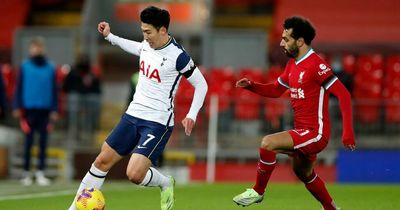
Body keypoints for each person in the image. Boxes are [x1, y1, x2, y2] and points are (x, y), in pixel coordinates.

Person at [67, 6, 208, 210]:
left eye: (148, 32)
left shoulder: (178, 56)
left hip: (157, 122)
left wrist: (192, 114)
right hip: (133, 114)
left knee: (134, 174)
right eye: (143, 31)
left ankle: (165, 182)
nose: (145, 36)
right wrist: (110, 36)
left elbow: (201, 84)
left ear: (163, 30)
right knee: (102, 160)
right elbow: (137, 47)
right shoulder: (147, 45)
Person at [232, 16, 355, 210]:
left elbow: (344, 95)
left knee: (268, 143)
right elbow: (275, 90)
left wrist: (348, 133)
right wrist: (252, 86)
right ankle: (332, 209)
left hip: (316, 133)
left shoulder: (316, 64)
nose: (281, 43)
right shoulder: (292, 65)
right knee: (303, 173)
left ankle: (258, 192)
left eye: (286, 39)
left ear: (300, 41)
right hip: (303, 132)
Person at [13, 37, 59, 186]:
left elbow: (55, 90)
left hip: (45, 110)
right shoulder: (24, 67)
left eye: (39, 47)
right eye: (34, 47)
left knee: (43, 143)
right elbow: (18, 88)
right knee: (28, 142)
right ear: (30, 49)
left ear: (43, 48)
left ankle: (40, 172)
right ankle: (26, 173)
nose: (36, 50)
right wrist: (16, 106)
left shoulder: (50, 68)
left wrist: (54, 109)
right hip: (28, 110)